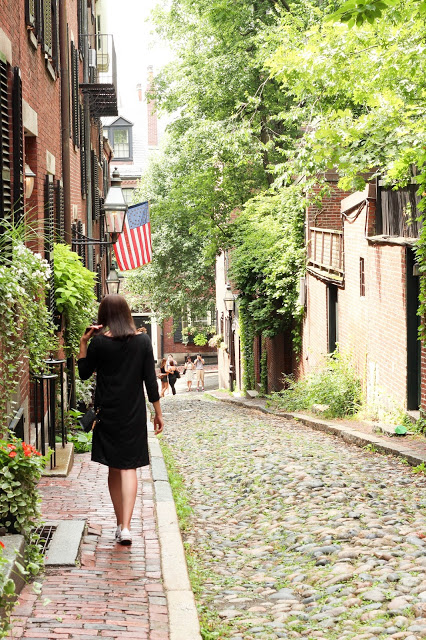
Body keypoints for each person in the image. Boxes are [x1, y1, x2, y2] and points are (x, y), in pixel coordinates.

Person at [78, 294, 164, 546]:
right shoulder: (143, 341)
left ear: (104, 316)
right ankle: (125, 526)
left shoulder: (99, 345)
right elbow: (150, 380)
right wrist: (158, 412)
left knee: (115, 467)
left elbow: (84, 374)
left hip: (108, 412)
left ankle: (121, 524)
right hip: (134, 412)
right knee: (130, 467)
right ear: (127, 314)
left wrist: (84, 342)